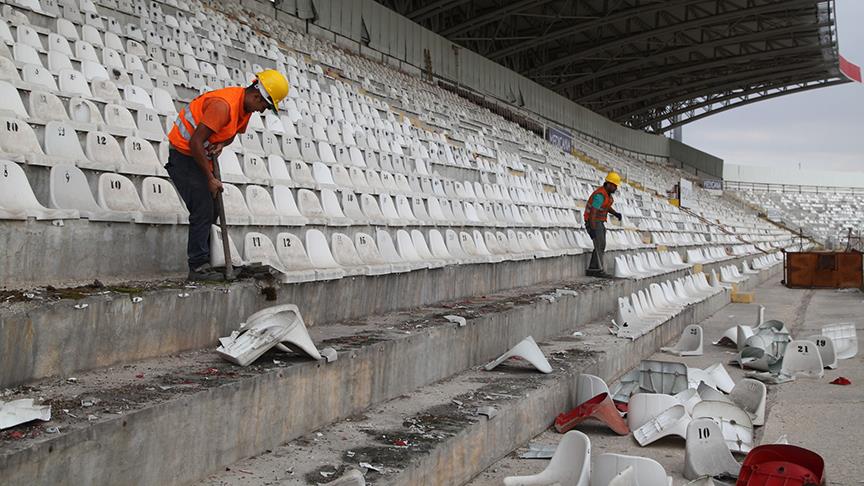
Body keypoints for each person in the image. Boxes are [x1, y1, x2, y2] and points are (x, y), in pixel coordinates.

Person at [166, 70, 289, 280]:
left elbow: (231, 134)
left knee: (211, 207)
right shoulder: (223, 105)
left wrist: (221, 144)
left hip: (199, 155)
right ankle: (197, 266)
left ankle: (207, 261)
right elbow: (195, 142)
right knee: (202, 207)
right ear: (257, 96)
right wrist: (210, 178)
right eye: (265, 106)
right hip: (183, 155)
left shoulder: (245, 108)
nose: (262, 111)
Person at [584, 171, 622, 277]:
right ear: (609, 184)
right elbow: (593, 213)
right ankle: (598, 270)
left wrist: (615, 213)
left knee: (601, 245)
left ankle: (593, 268)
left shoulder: (607, 195)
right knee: (599, 245)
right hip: (594, 221)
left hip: (599, 221)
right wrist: (592, 229)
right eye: (614, 186)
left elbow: (606, 207)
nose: (615, 188)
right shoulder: (600, 195)